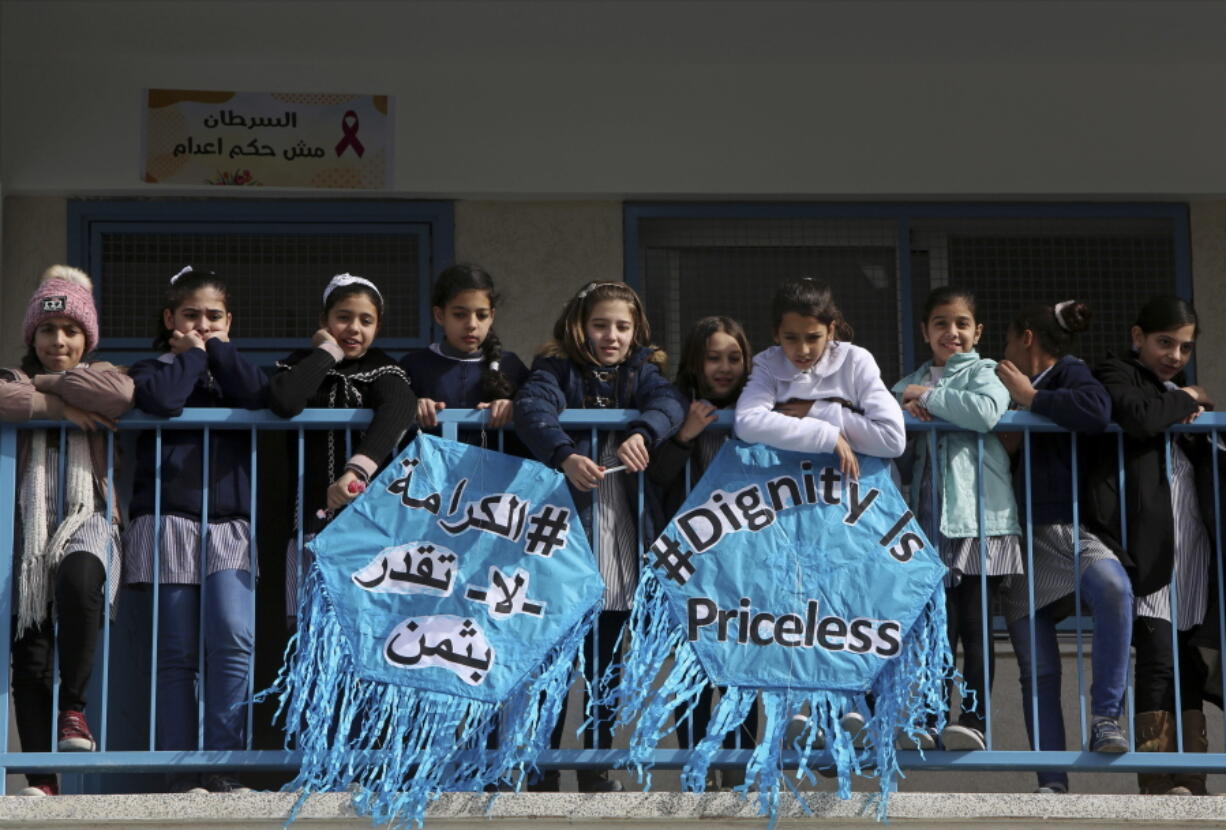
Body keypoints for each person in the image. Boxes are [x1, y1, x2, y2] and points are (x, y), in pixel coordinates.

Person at [515, 280, 686, 791]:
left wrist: (642, 432)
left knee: (604, 664)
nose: (611, 336)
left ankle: (595, 766)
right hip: (562, 544)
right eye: (600, 325)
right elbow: (531, 409)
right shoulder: (555, 370)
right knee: (551, 664)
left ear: (636, 332)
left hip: (618, 540)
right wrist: (564, 453)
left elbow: (671, 403)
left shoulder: (644, 373)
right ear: (579, 326)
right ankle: (539, 768)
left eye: (622, 326)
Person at [735, 278, 906, 746]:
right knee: (801, 605)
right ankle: (805, 711)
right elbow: (748, 423)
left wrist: (815, 410)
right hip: (797, 510)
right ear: (775, 334)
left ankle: (861, 712)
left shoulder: (857, 360)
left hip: (858, 506)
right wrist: (827, 436)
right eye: (791, 337)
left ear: (832, 330)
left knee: (857, 605)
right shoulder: (768, 366)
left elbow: (892, 438)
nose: (802, 349)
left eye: (813, 337)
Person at [124, 267, 267, 794]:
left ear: (229, 321)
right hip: (167, 519)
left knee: (233, 636)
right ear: (170, 319)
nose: (203, 324)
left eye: (214, 316)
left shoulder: (234, 367)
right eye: (191, 315)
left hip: (229, 523)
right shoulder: (152, 366)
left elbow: (262, 396)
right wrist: (192, 356)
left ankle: (226, 766)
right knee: (176, 650)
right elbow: (161, 401)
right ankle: (180, 774)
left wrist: (218, 354)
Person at [0, 265, 132, 797]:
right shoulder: (14, 378)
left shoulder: (101, 374)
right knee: (31, 655)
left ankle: (73, 710)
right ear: (33, 335)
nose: (59, 340)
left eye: (71, 331)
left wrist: (53, 387)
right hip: (27, 535)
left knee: (81, 583)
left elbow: (119, 395)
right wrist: (56, 407)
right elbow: (5, 397)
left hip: (86, 520)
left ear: (87, 338)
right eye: (49, 331)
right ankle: (42, 780)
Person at [995, 300, 1131, 794]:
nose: (1003, 350)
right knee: (1040, 672)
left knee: (1114, 588)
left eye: (1008, 339)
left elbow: (1096, 410)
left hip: (1066, 529)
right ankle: (1051, 781)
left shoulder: (1069, 373)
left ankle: (1106, 718)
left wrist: (1030, 399)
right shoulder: (1001, 381)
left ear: (1026, 337)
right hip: (1013, 539)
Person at [1085, 295, 1219, 796]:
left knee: (1187, 658)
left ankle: (1192, 777)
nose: (1175, 355)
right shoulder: (1116, 372)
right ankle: (1158, 780)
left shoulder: (1170, 392)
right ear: (1138, 336)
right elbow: (1138, 417)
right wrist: (1193, 396)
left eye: (1185, 347)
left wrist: (1184, 400)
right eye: (1165, 343)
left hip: (1191, 546)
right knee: (1158, 656)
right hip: (1147, 547)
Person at [892, 286, 1021, 751]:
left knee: (976, 625)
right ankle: (929, 714)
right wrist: (904, 407)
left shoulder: (987, 373)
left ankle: (974, 719)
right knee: (935, 626)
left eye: (962, 323)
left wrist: (927, 396)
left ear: (977, 331)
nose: (952, 332)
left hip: (978, 519)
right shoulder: (907, 380)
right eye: (942, 324)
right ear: (926, 331)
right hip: (927, 524)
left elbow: (985, 412)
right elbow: (888, 422)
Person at [268, 273, 416, 620]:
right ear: (324, 321)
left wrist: (356, 470)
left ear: (378, 328)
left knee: (360, 625)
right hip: (305, 523)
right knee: (307, 626)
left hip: (367, 527)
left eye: (366, 320)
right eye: (343, 317)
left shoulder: (383, 369)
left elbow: (399, 407)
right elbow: (285, 401)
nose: (354, 328)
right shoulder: (302, 363)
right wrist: (328, 352)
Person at [646, 315, 754, 787]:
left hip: (748, 565)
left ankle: (738, 768)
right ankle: (695, 768)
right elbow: (655, 479)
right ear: (695, 360)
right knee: (693, 667)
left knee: (744, 668)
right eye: (714, 357)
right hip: (690, 566)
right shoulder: (673, 406)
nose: (724, 367)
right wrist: (686, 435)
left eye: (734, 357)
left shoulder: (760, 405)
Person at [400, 264, 529, 448]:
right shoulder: (414, 365)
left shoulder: (510, 365)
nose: (471, 324)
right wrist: (411, 405)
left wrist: (515, 406)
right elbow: (388, 406)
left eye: (482, 315)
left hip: (494, 474)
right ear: (439, 315)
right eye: (460, 315)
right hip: (432, 475)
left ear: (492, 316)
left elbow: (537, 405)